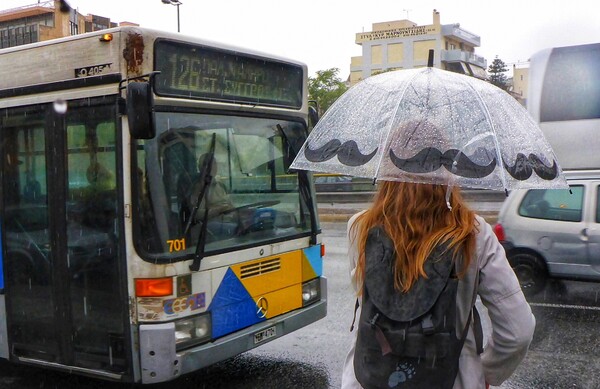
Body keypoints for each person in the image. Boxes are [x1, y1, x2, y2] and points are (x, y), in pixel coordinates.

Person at [341, 181, 535, 389]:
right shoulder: (474, 234)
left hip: (368, 377)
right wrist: (486, 372)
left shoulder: (360, 227)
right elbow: (518, 331)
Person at [177, 153, 236, 239]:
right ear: (201, 167)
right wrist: (219, 210)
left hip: (227, 220)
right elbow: (197, 214)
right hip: (207, 225)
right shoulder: (199, 188)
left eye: (214, 163)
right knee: (236, 229)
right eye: (207, 164)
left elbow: (231, 206)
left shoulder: (220, 186)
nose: (212, 166)